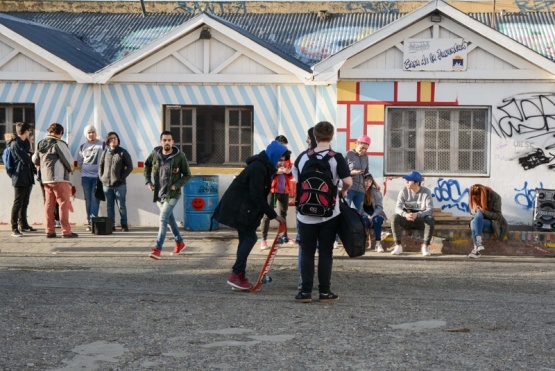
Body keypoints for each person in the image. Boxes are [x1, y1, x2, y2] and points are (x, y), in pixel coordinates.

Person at [212, 140, 288, 290]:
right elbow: (256, 196)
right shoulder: (258, 168)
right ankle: (235, 274)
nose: (281, 164)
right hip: (238, 208)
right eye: (279, 160)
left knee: (245, 239)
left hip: (244, 208)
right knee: (250, 237)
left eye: (283, 161)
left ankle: (239, 277)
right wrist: (274, 215)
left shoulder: (265, 167)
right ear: (272, 156)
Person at [293, 121, 352, 303]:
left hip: (305, 214)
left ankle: (305, 293)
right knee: (326, 252)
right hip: (329, 213)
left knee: (307, 251)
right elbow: (348, 181)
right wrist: (341, 189)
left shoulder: (303, 157)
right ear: (332, 136)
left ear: (313, 137)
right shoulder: (337, 157)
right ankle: (325, 292)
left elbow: (297, 179)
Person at [144, 131, 192, 260]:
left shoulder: (179, 156)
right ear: (161, 142)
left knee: (162, 219)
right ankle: (179, 242)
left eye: (169, 140)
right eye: (164, 140)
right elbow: (147, 166)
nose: (167, 142)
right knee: (170, 221)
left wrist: (177, 185)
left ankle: (157, 249)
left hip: (173, 194)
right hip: (159, 194)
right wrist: (148, 182)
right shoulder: (155, 155)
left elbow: (187, 175)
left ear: (173, 142)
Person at [32, 123, 77, 238]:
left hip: (46, 179)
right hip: (59, 178)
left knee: (48, 205)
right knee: (63, 204)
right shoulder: (59, 143)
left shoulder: (40, 143)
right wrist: (71, 169)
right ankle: (66, 231)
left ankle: (49, 231)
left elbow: (34, 160)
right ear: (60, 133)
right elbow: (68, 160)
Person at [260, 135, 294, 249]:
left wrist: (288, 171)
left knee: (283, 214)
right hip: (272, 190)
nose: (284, 150)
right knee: (267, 214)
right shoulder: (270, 157)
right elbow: (266, 173)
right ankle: (263, 239)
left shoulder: (288, 158)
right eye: (283, 147)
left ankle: (284, 236)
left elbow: (292, 173)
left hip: (284, 189)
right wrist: (276, 171)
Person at [391, 171, 434, 256]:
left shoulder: (426, 192)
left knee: (430, 219)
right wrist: (405, 214)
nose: (406, 182)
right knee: (394, 217)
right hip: (407, 219)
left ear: (416, 183)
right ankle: (398, 246)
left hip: (420, 220)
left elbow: (430, 210)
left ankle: (425, 246)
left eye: (409, 181)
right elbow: (397, 208)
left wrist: (418, 214)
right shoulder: (403, 191)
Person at [98, 131, 133, 232]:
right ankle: (111, 224)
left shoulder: (123, 152)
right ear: (108, 141)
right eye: (112, 138)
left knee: (121, 205)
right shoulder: (105, 152)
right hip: (106, 185)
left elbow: (130, 167)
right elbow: (100, 165)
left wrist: (121, 177)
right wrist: (101, 177)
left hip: (119, 185)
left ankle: (124, 225)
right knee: (109, 206)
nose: (114, 140)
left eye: (115, 138)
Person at [9, 123, 36, 237]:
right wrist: (30, 155)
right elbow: (25, 158)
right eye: (29, 130)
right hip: (20, 176)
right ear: (26, 131)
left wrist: (30, 153)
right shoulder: (15, 143)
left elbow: (29, 156)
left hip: (27, 175)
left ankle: (23, 224)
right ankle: (14, 227)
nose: (30, 132)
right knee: (18, 203)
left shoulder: (25, 142)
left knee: (25, 202)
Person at [468, 184, 509, 258]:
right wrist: (475, 210)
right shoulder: (474, 195)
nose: (478, 200)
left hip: (493, 224)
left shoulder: (495, 197)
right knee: (475, 218)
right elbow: (471, 211)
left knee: (473, 222)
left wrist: (484, 211)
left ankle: (476, 249)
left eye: (479, 198)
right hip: (479, 222)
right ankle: (479, 242)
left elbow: (498, 216)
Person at [76, 125, 104, 231]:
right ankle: (89, 221)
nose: (91, 134)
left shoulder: (102, 145)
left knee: (95, 199)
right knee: (88, 200)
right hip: (85, 178)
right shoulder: (83, 146)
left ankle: (93, 222)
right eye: (89, 132)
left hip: (97, 178)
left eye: (93, 132)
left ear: (96, 133)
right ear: (86, 134)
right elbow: (79, 161)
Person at [344, 135, 370, 214]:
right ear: (357, 143)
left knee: (357, 213)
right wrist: (351, 173)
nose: (364, 150)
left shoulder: (365, 157)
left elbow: (366, 172)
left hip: (360, 190)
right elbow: (341, 172)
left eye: (366, 149)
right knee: (346, 211)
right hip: (349, 188)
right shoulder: (348, 154)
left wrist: (374, 184)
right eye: (362, 147)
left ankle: (356, 227)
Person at [362, 172, 387, 252]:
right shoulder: (359, 192)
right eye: (366, 181)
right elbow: (358, 208)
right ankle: (362, 243)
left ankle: (378, 244)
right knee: (364, 222)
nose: (367, 183)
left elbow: (379, 207)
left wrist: (372, 216)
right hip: (364, 214)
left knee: (377, 220)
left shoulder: (375, 191)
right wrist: (367, 216)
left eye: (370, 181)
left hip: (376, 213)